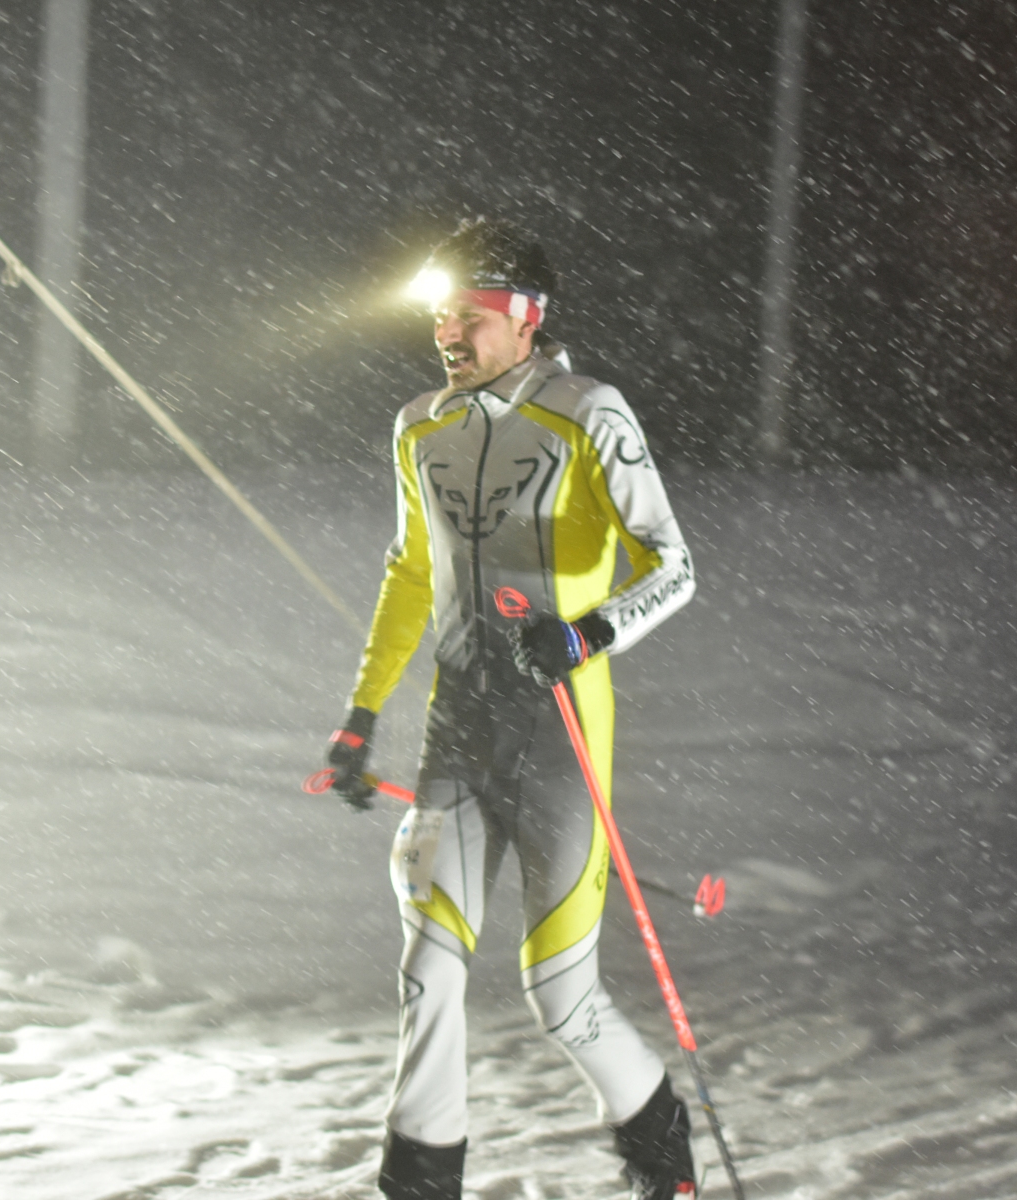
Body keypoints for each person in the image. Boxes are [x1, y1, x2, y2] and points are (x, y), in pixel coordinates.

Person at [322, 218, 698, 1200]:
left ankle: (663, 1149)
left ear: (527, 319)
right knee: (429, 965)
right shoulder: (420, 425)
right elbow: (412, 572)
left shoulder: (588, 413)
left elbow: (674, 567)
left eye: (471, 315)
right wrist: (362, 715)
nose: (448, 332)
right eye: (439, 314)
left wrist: (588, 632)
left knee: (561, 995)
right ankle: (419, 1182)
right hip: (459, 732)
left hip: (560, 739)